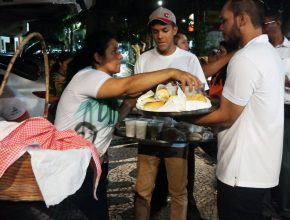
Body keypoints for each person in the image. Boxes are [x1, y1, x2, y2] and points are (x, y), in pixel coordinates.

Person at [54, 30, 200, 220]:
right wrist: (172, 71)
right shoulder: (88, 76)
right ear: (98, 57)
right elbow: (127, 85)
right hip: (72, 165)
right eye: (114, 51)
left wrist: (134, 100)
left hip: (94, 165)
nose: (120, 55)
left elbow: (120, 110)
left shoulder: (104, 83)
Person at [181, 0, 284, 219]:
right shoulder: (269, 53)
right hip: (259, 167)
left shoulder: (246, 58)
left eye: (224, 20)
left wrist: (183, 116)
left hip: (241, 171)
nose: (221, 27)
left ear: (242, 18)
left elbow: (226, 116)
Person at [131, 7, 208, 220]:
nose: (160, 36)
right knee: (142, 190)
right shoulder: (144, 59)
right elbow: (135, 93)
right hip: (148, 131)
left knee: (179, 192)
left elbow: (200, 95)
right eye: (155, 31)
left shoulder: (189, 59)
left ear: (174, 30)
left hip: (178, 134)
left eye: (164, 30)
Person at [262, 9, 290, 220]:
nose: (264, 28)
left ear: (278, 23)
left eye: (267, 23)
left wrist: (280, 77)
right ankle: (264, 203)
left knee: (284, 161)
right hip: (264, 109)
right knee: (262, 155)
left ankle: (283, 206)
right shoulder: (261, 49)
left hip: (286, 109)